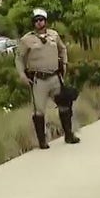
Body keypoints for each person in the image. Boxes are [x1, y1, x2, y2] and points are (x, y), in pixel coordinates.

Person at [15, 8, 80, 149]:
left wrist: (64, 63)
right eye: (36, 20)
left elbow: (62, 49)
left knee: (64, 105)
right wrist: (22, 75)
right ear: (33, 23)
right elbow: (19, 58)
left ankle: (69, 134)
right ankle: (42, 141)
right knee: (39, 111)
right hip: (39, 79)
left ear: (45, 21)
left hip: (55, 77)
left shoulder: (54, 35)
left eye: (41, 20)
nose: (39, 23)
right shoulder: (27, 40)